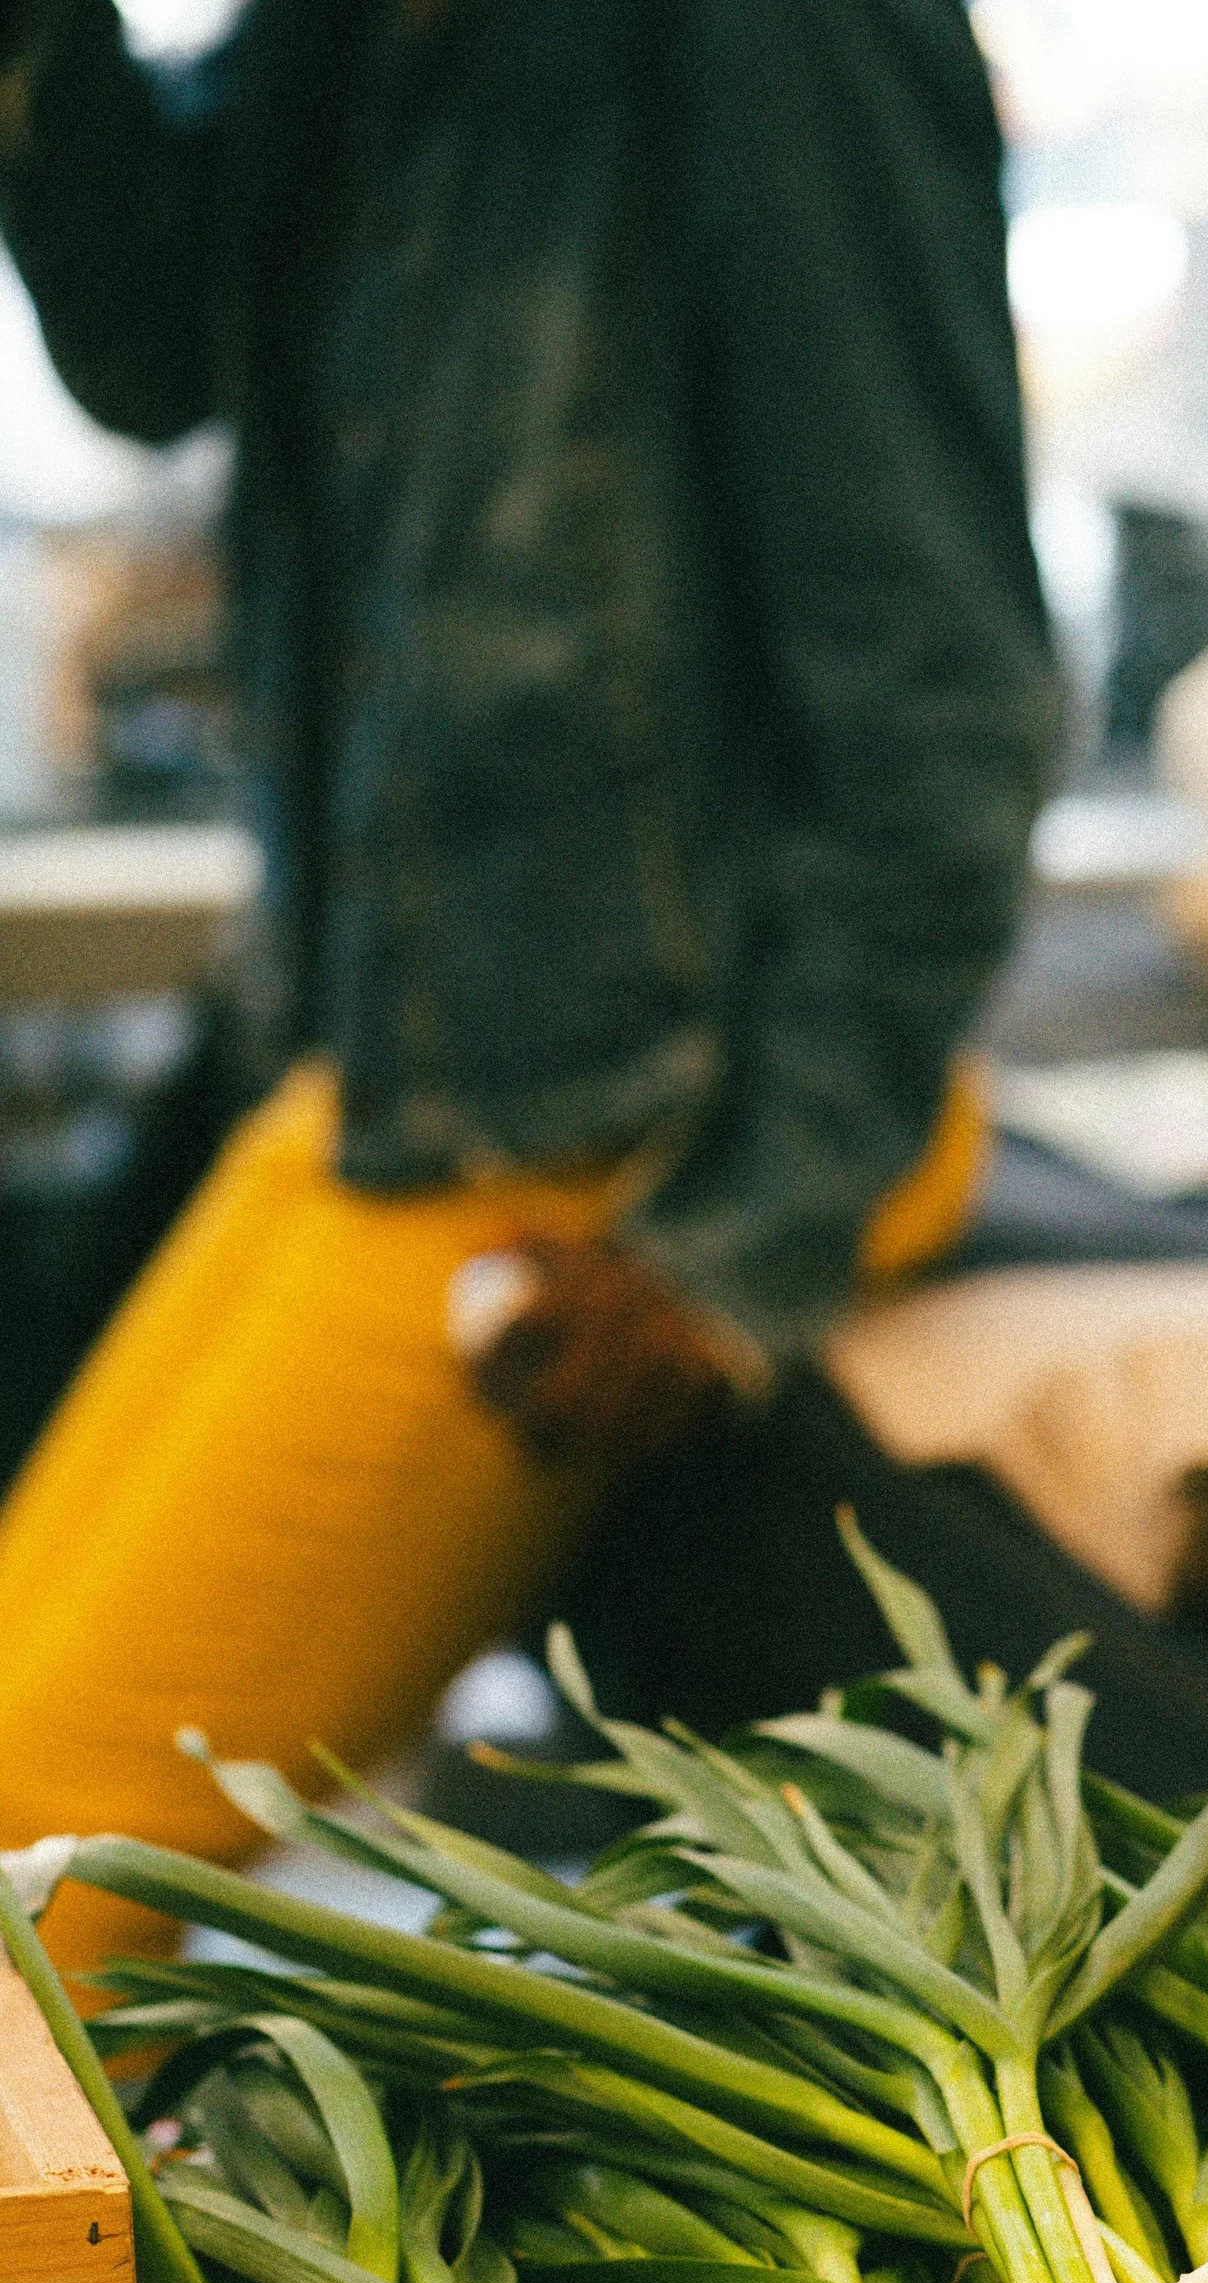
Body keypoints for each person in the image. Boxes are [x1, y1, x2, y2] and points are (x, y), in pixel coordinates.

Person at [0, 0, 1059, 1972]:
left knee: (25, 1883)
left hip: (621, 1124)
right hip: (400, 1073)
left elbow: (948, 694)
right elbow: (150, 344)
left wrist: (737, 1243)